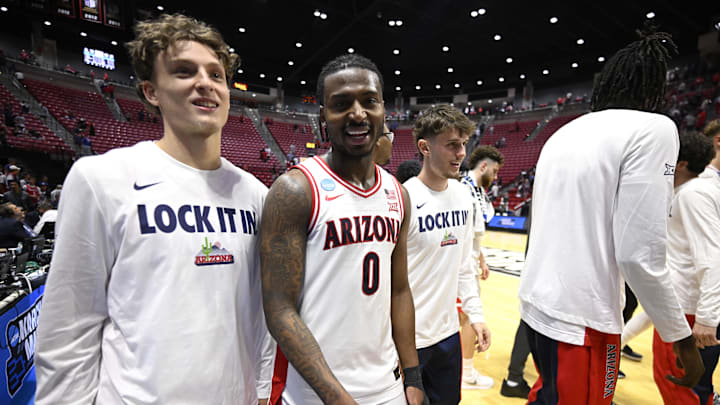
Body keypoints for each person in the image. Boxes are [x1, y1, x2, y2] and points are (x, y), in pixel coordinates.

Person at [35, 13, 272, 404]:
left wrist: (261, 393)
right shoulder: (101, 179)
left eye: (216, 74)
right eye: (184, 71)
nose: (205, 83)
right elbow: (68, 331)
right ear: (151, 91)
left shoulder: (256, 195)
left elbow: (261, 318)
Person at [518, 29, 704, 404]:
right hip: (584, 317)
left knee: (546, 396)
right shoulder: (654, 129)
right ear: (653, 88)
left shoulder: (564, 131)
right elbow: (639, 254)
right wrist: (679, 337)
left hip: (537, 304)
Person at [261, 54, 424, 405]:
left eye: (369, 101)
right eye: (341, 104)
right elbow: (279, 309)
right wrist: (336, 397)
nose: (357, 114)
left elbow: (399, 291)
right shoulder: (295, 190)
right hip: (315, 392)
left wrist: (413, 375)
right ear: (323, 116)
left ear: (384, 111)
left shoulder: (399, 194)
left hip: (388, 386)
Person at [404, 105, 490, 404]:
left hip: (448, 334)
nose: (461, 153)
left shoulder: (463, 196)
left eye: (464, 144)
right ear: (425, 147)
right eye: (452, 145)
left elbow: (464, 265)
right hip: (407, 340)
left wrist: (475, 315)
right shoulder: (404, 198)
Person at [653, 131, 718, 404]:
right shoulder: (693, 191)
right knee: (683, 385)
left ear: (679, 164)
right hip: (683, 306)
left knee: (678, 385)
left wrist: (706, 317)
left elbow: (711, 257)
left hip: (688, 312)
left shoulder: (692, 195)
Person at [458, 145, 504, 390]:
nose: (496, 178)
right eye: (494, 172)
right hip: (461, 268)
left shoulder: (476, 191)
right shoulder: (464, 190)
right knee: (468, 318)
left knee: (463, 318)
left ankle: (462, 367)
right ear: (483, 166)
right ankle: (466, 373)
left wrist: (482, 260)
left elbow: (475, 235)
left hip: (470, 263)